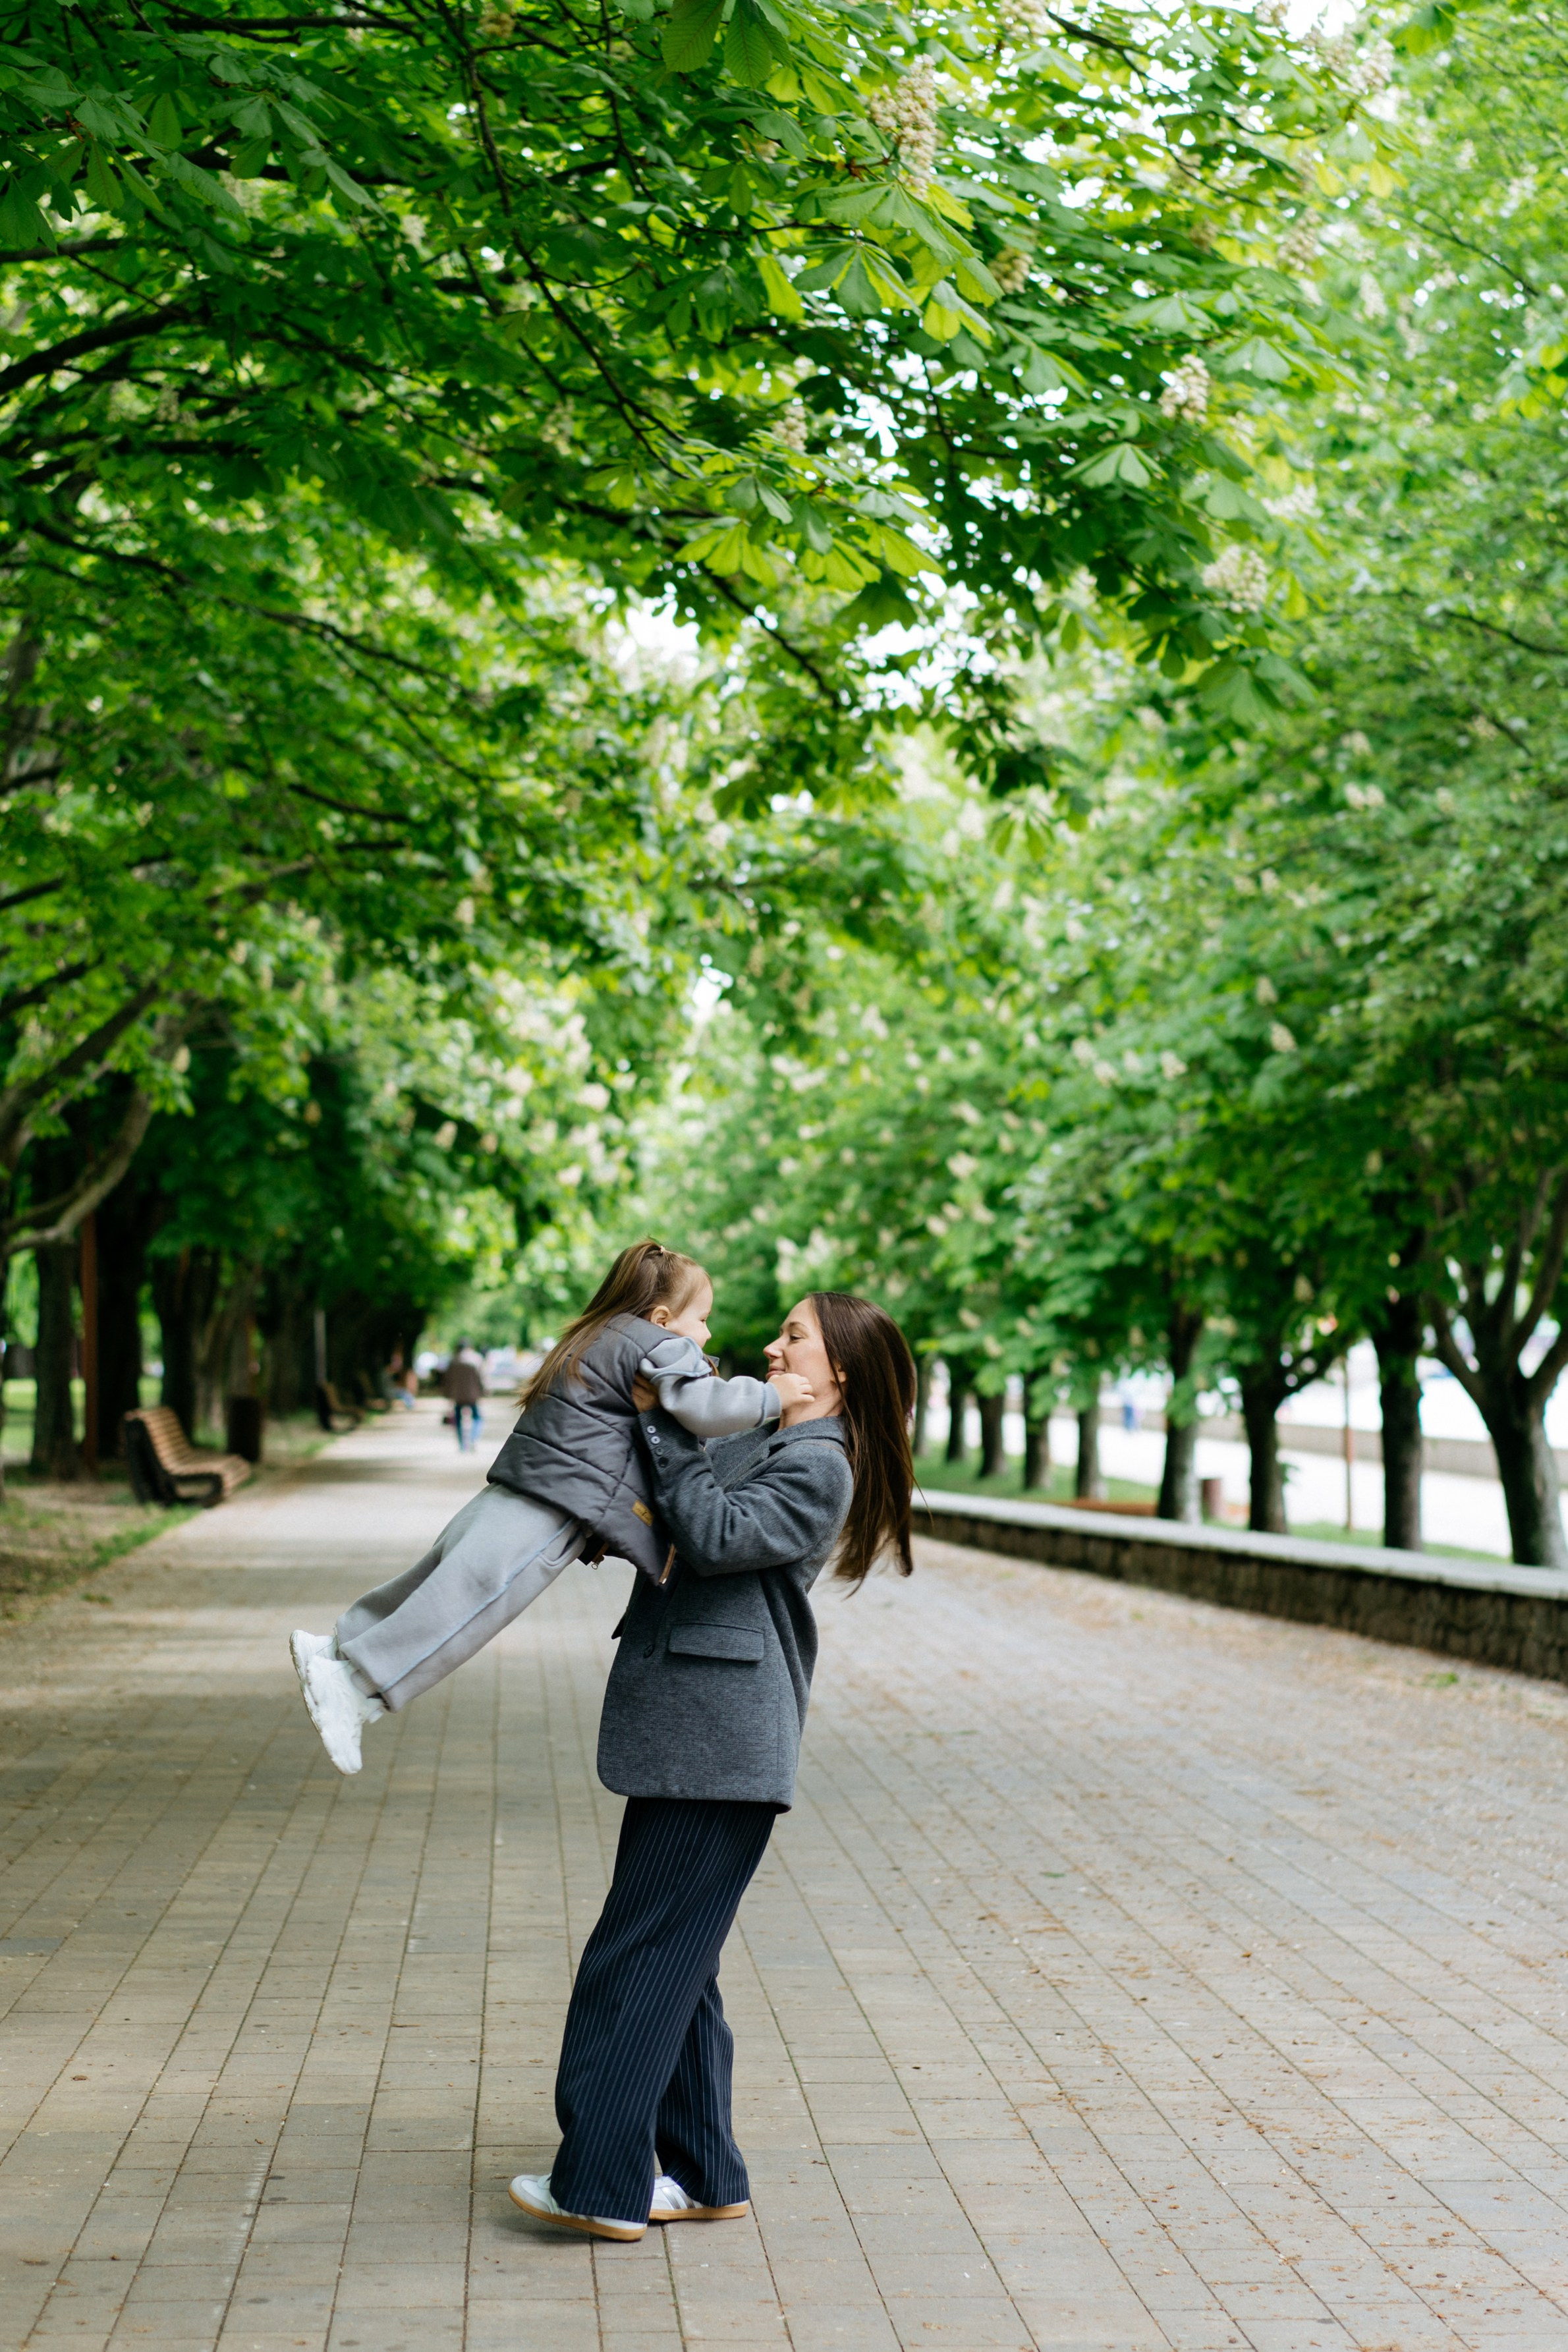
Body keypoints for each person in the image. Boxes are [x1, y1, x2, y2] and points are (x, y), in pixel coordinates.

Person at [508, 1289, 916, 2244]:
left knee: (636, 1956)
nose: (772, 1346)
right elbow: (681, 1517)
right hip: (697, 1730)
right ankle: (705, 2171)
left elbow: (720, 1534)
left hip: (723, 1742)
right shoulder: (773, 1442)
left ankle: (601, 2180)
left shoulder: (823, 1462)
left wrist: (660, 1426)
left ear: (840, 1370)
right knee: (678, 1961)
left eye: (795, 1337)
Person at [289, 1243, 814, 1775]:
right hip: (558, 1503)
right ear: (661, 1318)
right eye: (701, 1320)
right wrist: (775, 1397)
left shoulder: (598, 1335)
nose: (705, 1335)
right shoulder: (662, 1347)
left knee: (437, 1575)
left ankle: (336, 1649)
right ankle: (354, 1691)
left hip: (523, 1483)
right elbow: (705, 1408)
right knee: (471, 1604)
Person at [442, 1339, 487, 1451]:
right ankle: (473, 1438)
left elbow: (447, 1380)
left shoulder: (453, 1361)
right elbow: (481, 1377)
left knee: (458, 1418)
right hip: (473, 1394)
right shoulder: (476, 1359)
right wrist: (483, 1390)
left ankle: (462, 1444)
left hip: (457, 1395)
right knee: (477, 1417)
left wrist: (447, 1394)